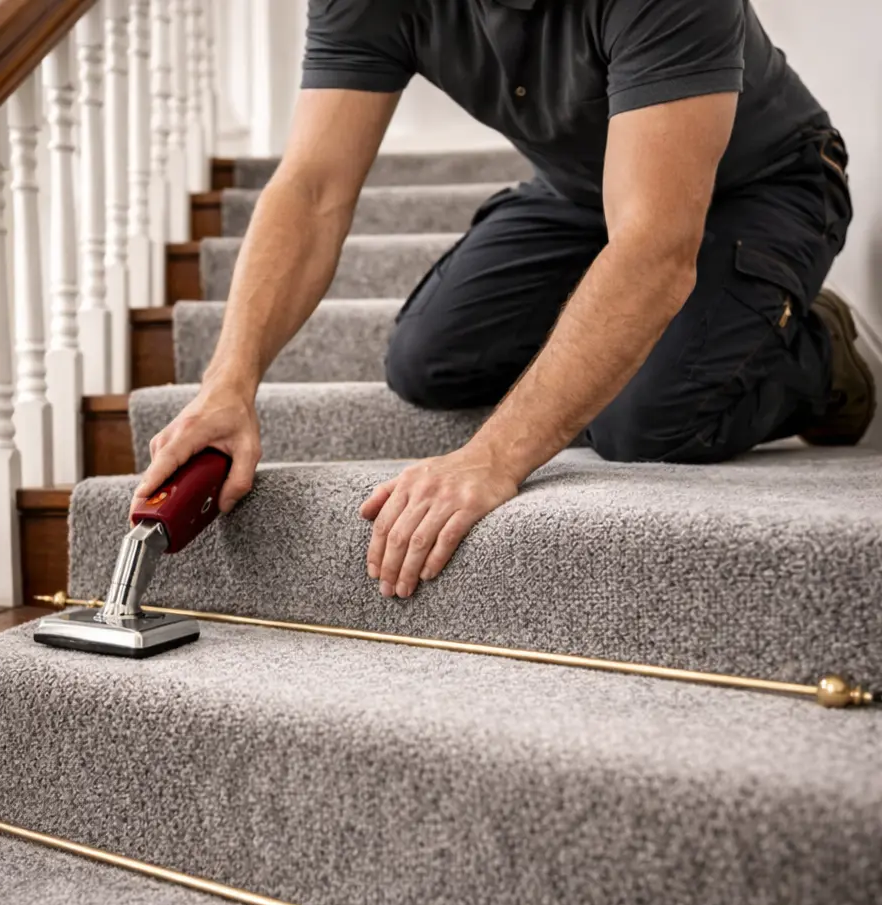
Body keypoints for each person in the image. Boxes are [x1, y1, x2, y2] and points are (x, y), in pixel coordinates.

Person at [136, 0, 875, 600]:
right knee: (427, 360)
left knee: (641, 420)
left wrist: (492, 458)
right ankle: (641, 313)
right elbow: (313, 189)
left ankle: (824, 355)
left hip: (763, 188)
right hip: (585, 192)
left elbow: (653, 249)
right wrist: (229, 382)